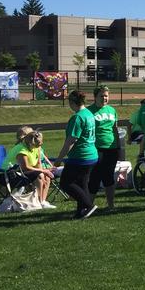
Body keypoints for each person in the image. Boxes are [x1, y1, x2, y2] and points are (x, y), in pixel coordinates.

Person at [53, 90, 99, 219]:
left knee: (66, 183)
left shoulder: (77, 117)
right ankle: (80, 212)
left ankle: (88, 205)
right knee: (82, 184)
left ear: (72, 102)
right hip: (91, 155)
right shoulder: (88, 113)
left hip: (80, 157)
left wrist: (59, 159)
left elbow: (71, 141)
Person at [4, 128, 56, 208]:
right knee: (39, 175)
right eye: (39, 143)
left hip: (23, 171)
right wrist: (42, 171)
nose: (41, 144)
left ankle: (42, 201)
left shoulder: (36, 148)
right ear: (31, 143)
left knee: (46, 176)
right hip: (12, 173)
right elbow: (25, 167)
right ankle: (39, 202)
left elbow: (38, 163)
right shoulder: (22, 150)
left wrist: (44, 171)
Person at [87, 85, 119, 211]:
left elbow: (115, 129)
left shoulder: (112, 110)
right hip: (96, 148)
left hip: (111, 148)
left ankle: (111, 205)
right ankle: (88, 206)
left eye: (106, 96)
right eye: (101, 96)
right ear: (95, 97)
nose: (104, 98)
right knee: (95, 176)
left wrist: (118, 146)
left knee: (109, 177)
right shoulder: (89, 111)